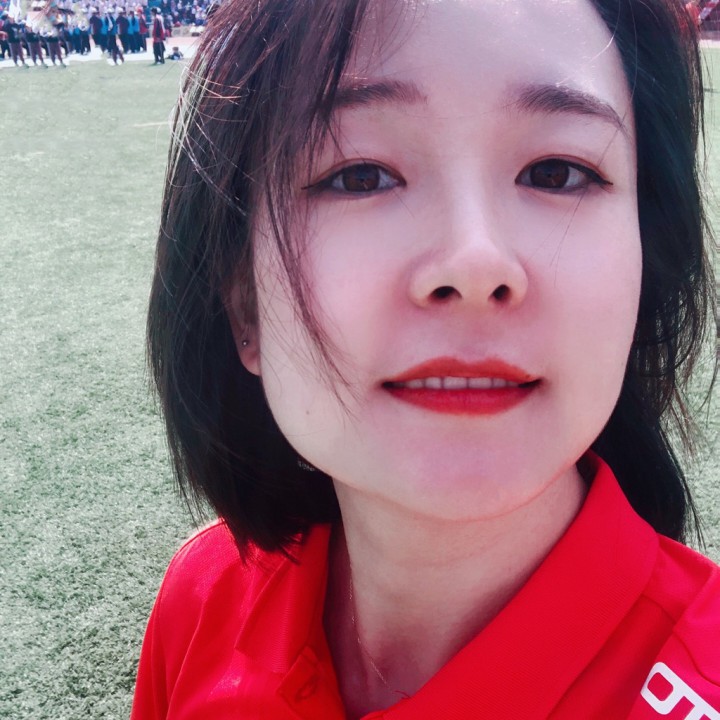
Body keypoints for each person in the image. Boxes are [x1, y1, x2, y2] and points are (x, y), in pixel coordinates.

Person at [131, 0, 719, 718]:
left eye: (557, 172)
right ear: (244, 306)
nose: (475, 262)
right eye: (360, 176)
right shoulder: (204, 597)